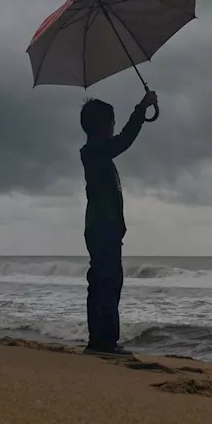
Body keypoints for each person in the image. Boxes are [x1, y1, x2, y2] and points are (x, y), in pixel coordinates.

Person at [78, 89, 157, 356]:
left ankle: (98, 340)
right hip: (104, 226)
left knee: (100, 282)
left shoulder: (94, 153)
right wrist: (141, 108)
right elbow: (124, 140)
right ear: (103, 126)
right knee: (108, 282)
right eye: (111, 122)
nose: (114, 126)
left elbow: (119, 141)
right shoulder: (96, 152)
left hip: (99, 226)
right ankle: (105, 342)